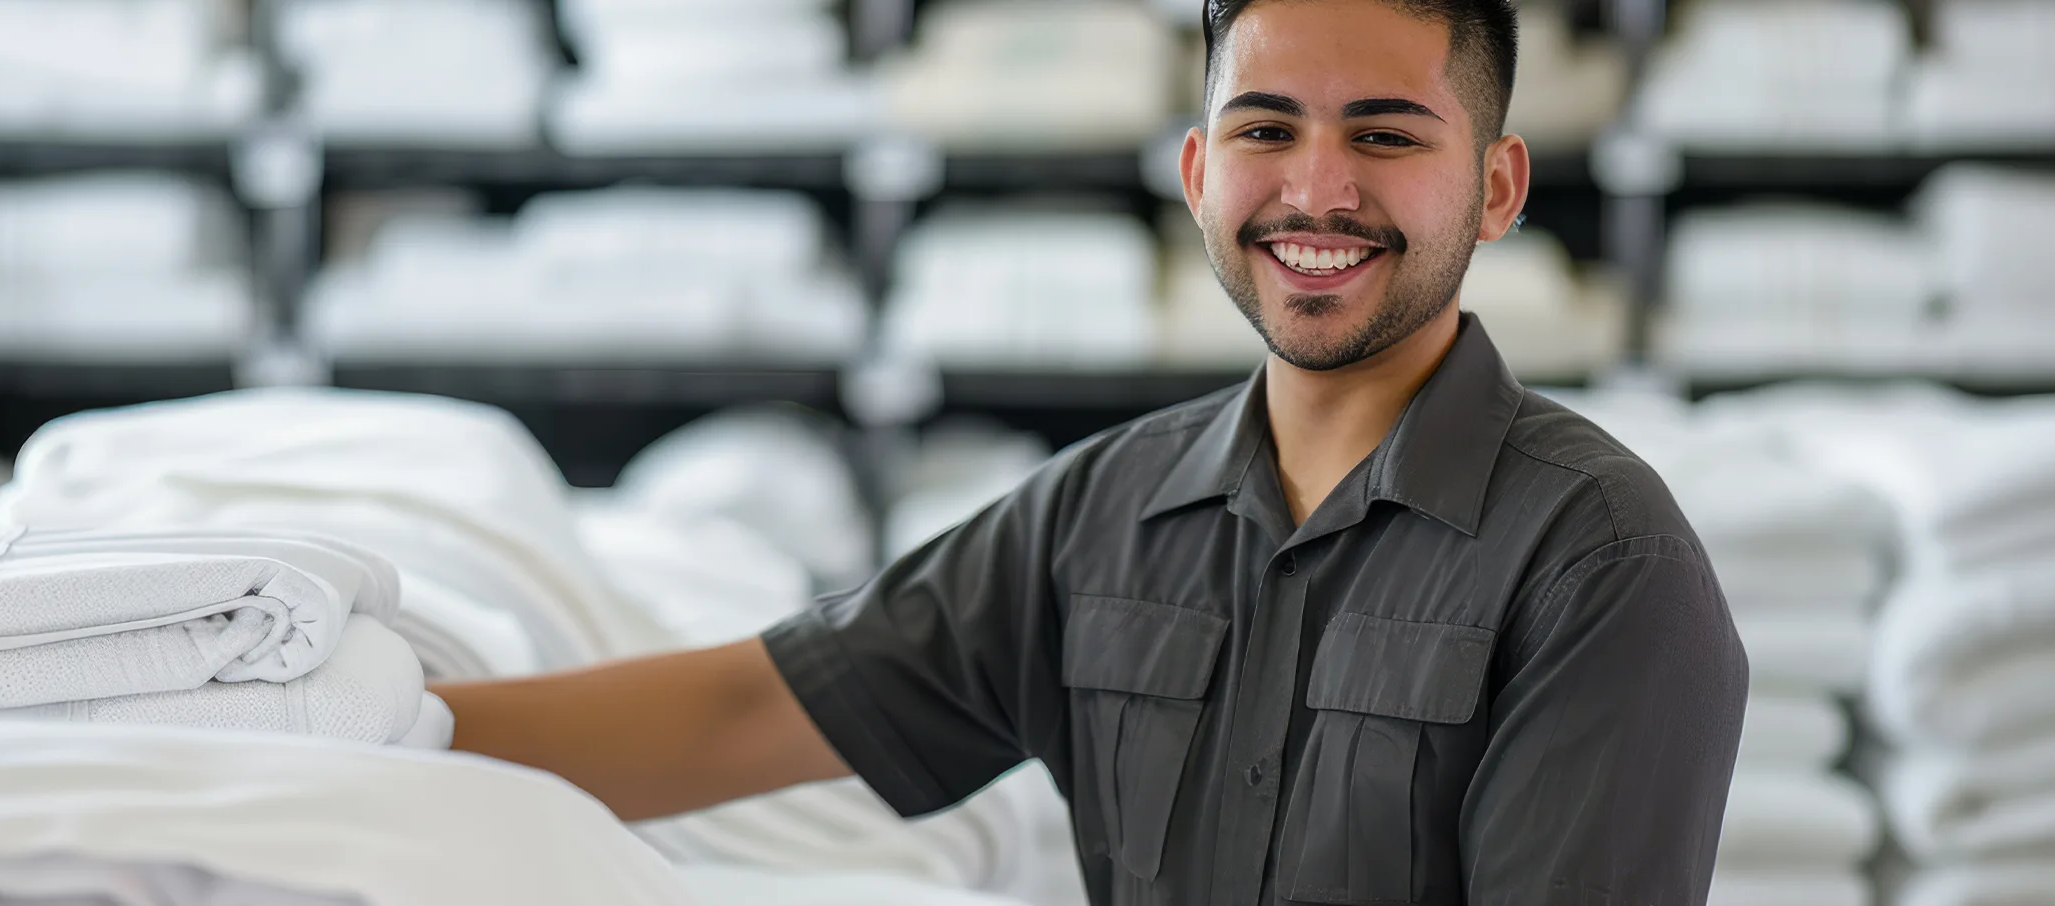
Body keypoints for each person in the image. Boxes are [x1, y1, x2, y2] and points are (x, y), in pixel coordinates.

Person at [431, 0, 1750, 902]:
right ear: (1196, 173)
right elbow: (753, 708)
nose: (1317, 188)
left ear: (1500, 186)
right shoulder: (1104, 514)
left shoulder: (1599, 565)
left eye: (1388, 134)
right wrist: (354, 723)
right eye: (1265, 127)